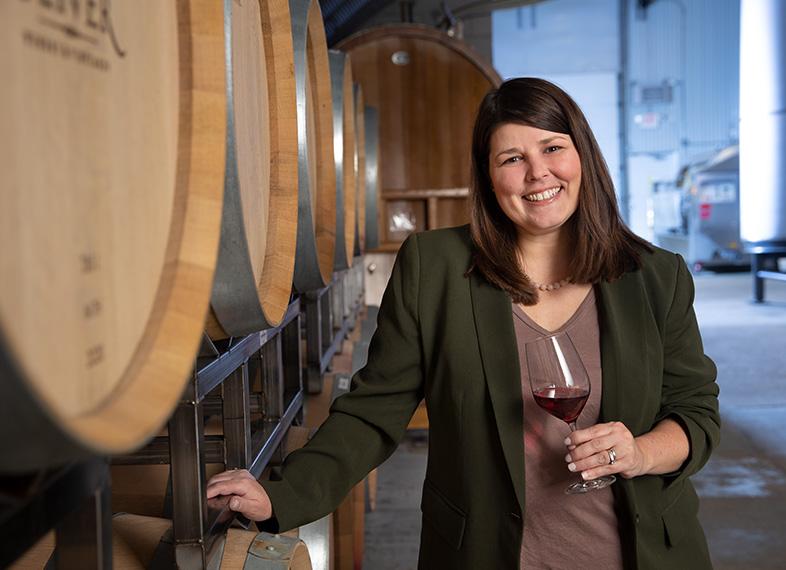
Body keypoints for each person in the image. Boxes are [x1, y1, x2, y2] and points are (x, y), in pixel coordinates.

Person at [206, 77, 720, 569]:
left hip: (640, 554)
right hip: (483, 554)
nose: (537, 173)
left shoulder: (655, 276)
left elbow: (695, 413)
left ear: (583, 155)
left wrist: (639, 453)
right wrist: (279, 497)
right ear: (488, 176)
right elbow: (374, 411)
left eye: (552, 148)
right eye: (512, 158)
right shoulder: (436, 268)